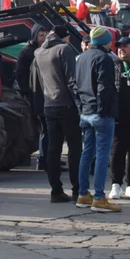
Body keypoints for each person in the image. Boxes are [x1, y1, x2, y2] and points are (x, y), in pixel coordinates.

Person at [31, 24, 81, 202]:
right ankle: (78, 189)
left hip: (48, 104)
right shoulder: (64, 50)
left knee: (53, 148)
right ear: (64, 36)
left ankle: (56, 190)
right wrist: (80, 105)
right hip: (67, 105)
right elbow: (71, 80)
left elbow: (36, 82)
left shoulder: (38, 53)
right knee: (75, 148)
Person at [75, 26, 120, 212]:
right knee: (102, 155)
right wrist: (103, 110)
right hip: (100, 113)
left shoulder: (82, 57)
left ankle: (83, 194)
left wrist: (81, 107)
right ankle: (100, 197)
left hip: (85, 110)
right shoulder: (104, 58)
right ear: (106, 42)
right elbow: (104, 87)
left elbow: (75, 85)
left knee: (87, 153)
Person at [111, 36, 130, 199]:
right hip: (119, 116)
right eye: (119, 46)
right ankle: (116, 184)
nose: (121, 49)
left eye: (125, 46)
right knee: (118, 150)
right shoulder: (114, 65)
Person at [15, 25, 47, 168]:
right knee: (39, 128)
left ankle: (46, 156)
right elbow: (21, 75)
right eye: (41, 35)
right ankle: (42, 159)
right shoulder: (27, 52)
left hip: (42, 94)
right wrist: (26, 92)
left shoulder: (42, 51)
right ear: (34, 36)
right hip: (32, 95)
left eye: (45, 34)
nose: (44, 38)